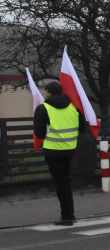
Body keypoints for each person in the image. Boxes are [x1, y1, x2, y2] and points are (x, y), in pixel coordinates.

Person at [33, 81, 85, 226]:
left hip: (53, 151)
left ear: (50, 92)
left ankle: (67, 216)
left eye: (45, 91)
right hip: (69, 149)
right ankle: (70, 213)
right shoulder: (73, 107)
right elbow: (82, 128)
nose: (43, 93)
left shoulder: (43, 108)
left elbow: (39, 133)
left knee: (60, 183)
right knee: (66, 181)